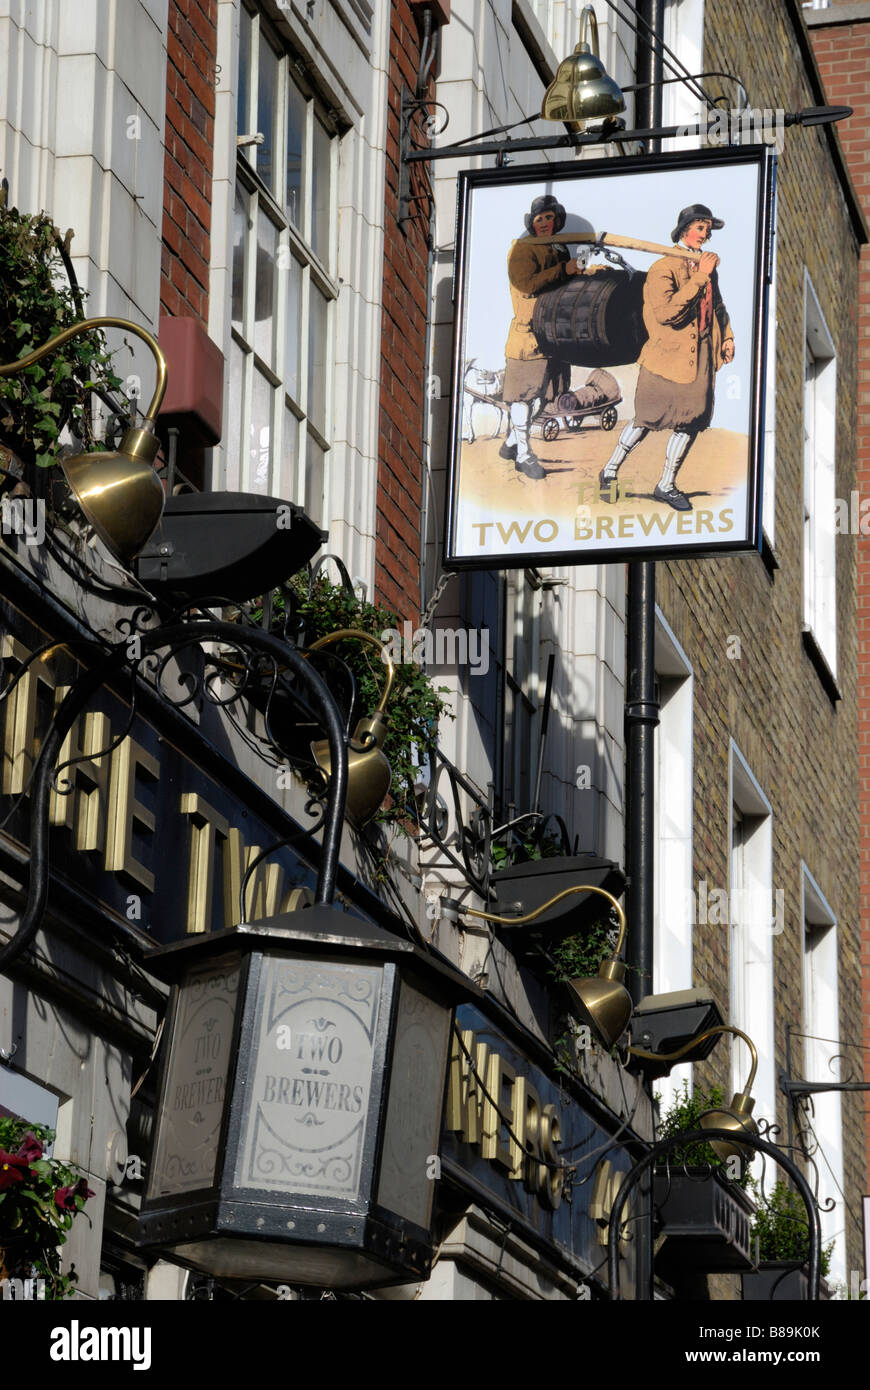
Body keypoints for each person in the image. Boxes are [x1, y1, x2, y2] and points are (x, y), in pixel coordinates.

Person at [598, 203, 734, 510]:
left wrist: (727, 337)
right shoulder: (664, 268)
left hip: (699, 359)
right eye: (701, 227)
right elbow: (666, 314)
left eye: (708, 229)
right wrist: (700, 278)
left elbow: (719, 308)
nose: (706, 234)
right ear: (685, 229)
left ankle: (666, 484)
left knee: (690, 423)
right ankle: (609, 472)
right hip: (665, 360)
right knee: (647, 420)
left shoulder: (706, 268)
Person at [501, 195, 586, 480]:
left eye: (550, 218)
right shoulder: (523, 249)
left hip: (553, 335)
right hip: (529, 336)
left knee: (543, 399)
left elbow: (563, 286)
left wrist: (583, 272)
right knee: (523, 398)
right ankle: (524, 455)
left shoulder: (558, 249)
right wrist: (565, 269)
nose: (546, 223)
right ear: (532, 223)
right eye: (540, 219)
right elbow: (526, 284)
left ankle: (512, 443)